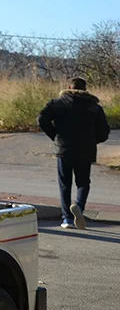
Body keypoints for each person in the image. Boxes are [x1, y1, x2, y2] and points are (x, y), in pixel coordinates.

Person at [37, 77, 111, 229]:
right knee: (83, 182)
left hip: (64, 148)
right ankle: (78, 207)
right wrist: (93, 140)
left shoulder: (56, 103)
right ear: (85, 89)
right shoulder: (94, 107)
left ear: (69, 87)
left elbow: (41, 119)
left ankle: (67, 219)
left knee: (65, 184)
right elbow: (104, 132)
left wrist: (55, 135)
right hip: (86, 149)